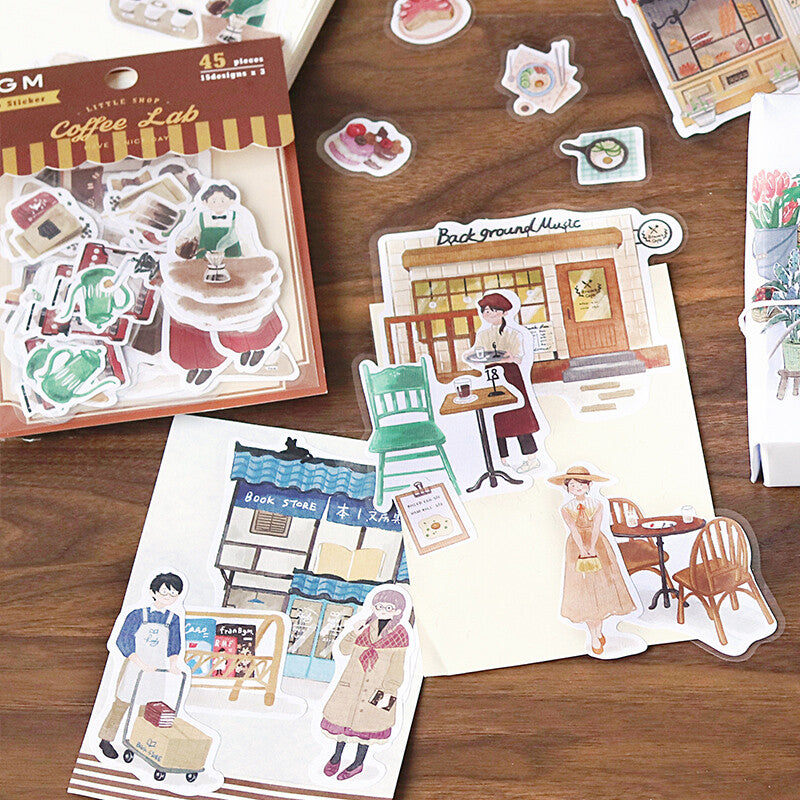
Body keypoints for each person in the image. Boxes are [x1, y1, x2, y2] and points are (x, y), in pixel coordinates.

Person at [166, 183, 284, 385]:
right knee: (210, 311)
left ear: (231, 201)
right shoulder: (199, 217)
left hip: (236, 269)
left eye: (222, 200)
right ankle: (207, 360)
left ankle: (257, 346)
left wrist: (253, 265)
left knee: (244, 307)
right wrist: (184, 244)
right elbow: (188, 236)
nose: (218, 204)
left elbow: (248, 243)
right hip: (203, 269)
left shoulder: (240, 217)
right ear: (205, 202)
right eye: (214, 200)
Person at [320, 589, 410, 781]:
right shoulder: (364, 626)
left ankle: (358, 763)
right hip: (351, 684)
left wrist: (389, 689)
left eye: (388, 607)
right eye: (379, 606)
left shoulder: (400, 633)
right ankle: (336, 757)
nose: (382, 610)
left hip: (379, 687)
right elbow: (344, 650)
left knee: (369, 726)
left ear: (397, 611)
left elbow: (397, 665)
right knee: (343, 722)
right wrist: (354, 633)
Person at [548, 466, 636, 655]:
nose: (577, 488)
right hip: (576, 546)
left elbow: (596, 527)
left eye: (581, 484)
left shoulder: (597, 504)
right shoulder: (566, 508)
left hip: (598, 545)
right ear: (567, 488)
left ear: (588, 485)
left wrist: (592, 546)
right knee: (584, 589)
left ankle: (598, 632)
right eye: (572, 485)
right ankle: (594, 635)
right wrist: (582, 549)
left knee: (600, 586)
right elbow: (573, 529)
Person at [97, 573, 184, 759]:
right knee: (122, 702)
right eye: (164, 592)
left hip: (157, 669)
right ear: (153, 592)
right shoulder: (137, 615)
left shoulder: (173, 619)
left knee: (149, 707)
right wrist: (140, 663)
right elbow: (124, 640)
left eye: (173, 594)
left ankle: (139, 741)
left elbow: (174, 645)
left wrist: (173, 665)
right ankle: (106, 739)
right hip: (134, 665)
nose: (168, 597)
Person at [463, 291, 540, 472]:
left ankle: (531, 458)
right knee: (496, 417)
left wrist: (506, 357)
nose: (488, 313)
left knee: (519, 415)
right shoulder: (483, 334)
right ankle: (502, 461)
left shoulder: (514, 333)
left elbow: (518, 357)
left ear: (504, 312)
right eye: (485, 311)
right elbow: (478, 354)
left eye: (492, 310)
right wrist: (469, 356)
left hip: (511, 376)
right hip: (491, 376)